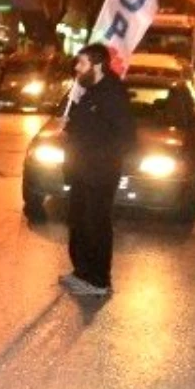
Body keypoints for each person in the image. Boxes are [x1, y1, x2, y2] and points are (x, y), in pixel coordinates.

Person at [59, 43, 136, 297]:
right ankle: (82, 272)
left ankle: (99, 280)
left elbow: (126, 137)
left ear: (97, 65)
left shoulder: (112, 93)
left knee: (96, 226)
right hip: (81, 171)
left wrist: (99, 161)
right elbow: (87, 127)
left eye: (81, 63)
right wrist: (68, 127)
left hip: (98, 174)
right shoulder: (89, 91)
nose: (76, 68)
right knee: (78, 223)